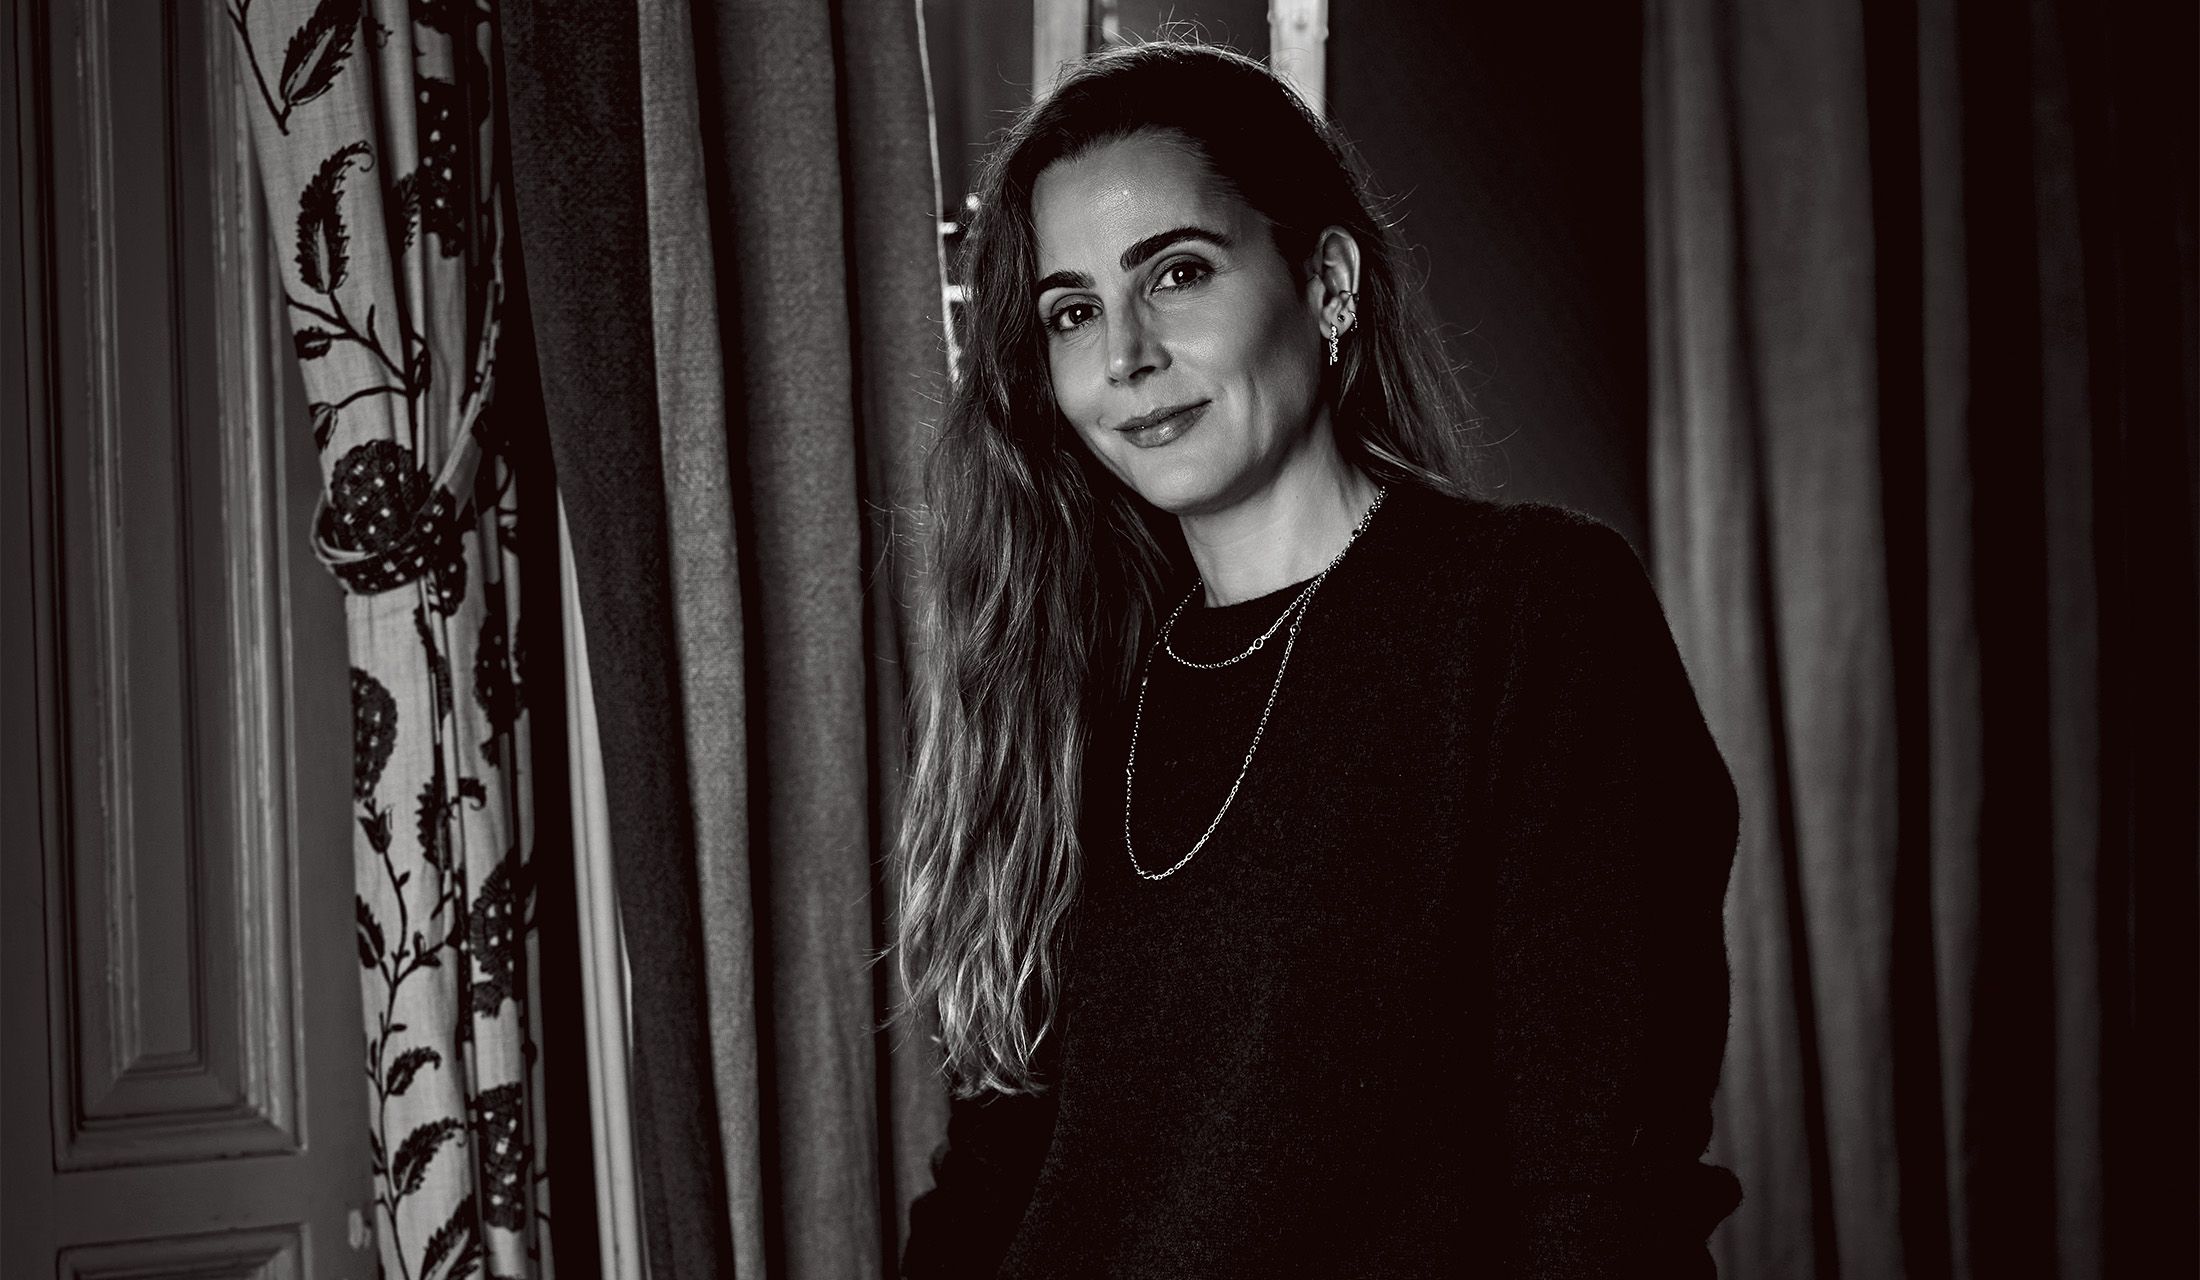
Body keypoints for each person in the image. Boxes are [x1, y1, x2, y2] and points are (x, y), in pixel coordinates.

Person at [890, 38, 1742, 1279]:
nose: (1125, 353)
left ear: (1326, 282)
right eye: (1073, 310)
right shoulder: (1078, 681)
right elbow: (996, 1169)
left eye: (1177, 273)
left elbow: (1603, 1179)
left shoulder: (1529, 614)